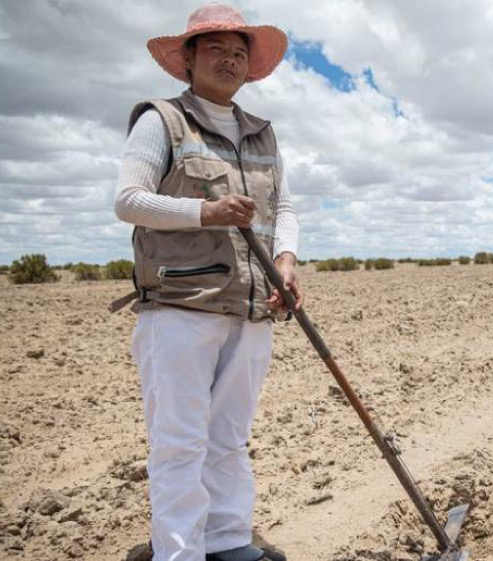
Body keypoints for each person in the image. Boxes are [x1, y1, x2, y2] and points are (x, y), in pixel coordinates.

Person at [111, 4, 301, 560]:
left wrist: (286, 260)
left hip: (251, 308)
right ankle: (178, 552)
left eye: (239, 52)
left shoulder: (261, 134)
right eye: (215, 49)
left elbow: (283, 205)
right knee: (180, 444)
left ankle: (227, 540)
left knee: (228, 440)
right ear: (188, 60)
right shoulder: (161, 121)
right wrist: (206, 213)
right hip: (179, 306)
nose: (229, 60)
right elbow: (128, 201)